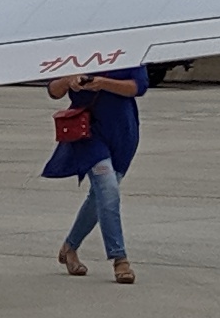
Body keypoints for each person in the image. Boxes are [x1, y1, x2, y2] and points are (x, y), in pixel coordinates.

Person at [44, 59, 147, 284]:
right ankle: (120, 258)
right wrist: (69, 80)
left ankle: (70, 247)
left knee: (99, 196)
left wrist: (101, 83)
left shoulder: (128, 50)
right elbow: (53, 90)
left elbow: (138, 87)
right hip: (88, 133)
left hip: (122, 134)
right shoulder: (75, 52)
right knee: (108, 188)